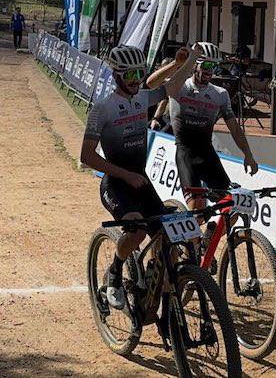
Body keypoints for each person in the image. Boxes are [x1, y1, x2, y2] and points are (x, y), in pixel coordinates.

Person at [80, 44, 199, 310]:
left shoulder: (142, 99)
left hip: (141, 182)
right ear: (116, 76)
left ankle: (152, 284)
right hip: (116, 183)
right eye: (129, 75)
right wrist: (126, 175)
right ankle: (114, 273)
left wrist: (190, 60)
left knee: (168, 237)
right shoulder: (103, 109)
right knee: (136, 232)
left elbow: (172, 86)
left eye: (139, 74)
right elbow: (87, 156)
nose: (135, 81)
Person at [148, 42, 258, 214]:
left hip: (207, 154)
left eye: (214, 66)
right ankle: (191, 239)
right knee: (196, 209)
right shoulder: (180, 86)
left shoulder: (220, 94)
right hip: (185, 153)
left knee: (233, 208)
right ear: (195, 65)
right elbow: (151, 84)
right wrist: (177, 64)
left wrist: (248, 153)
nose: (210, 70)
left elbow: (235, 128)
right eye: (206, 64)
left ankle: (208, 239)